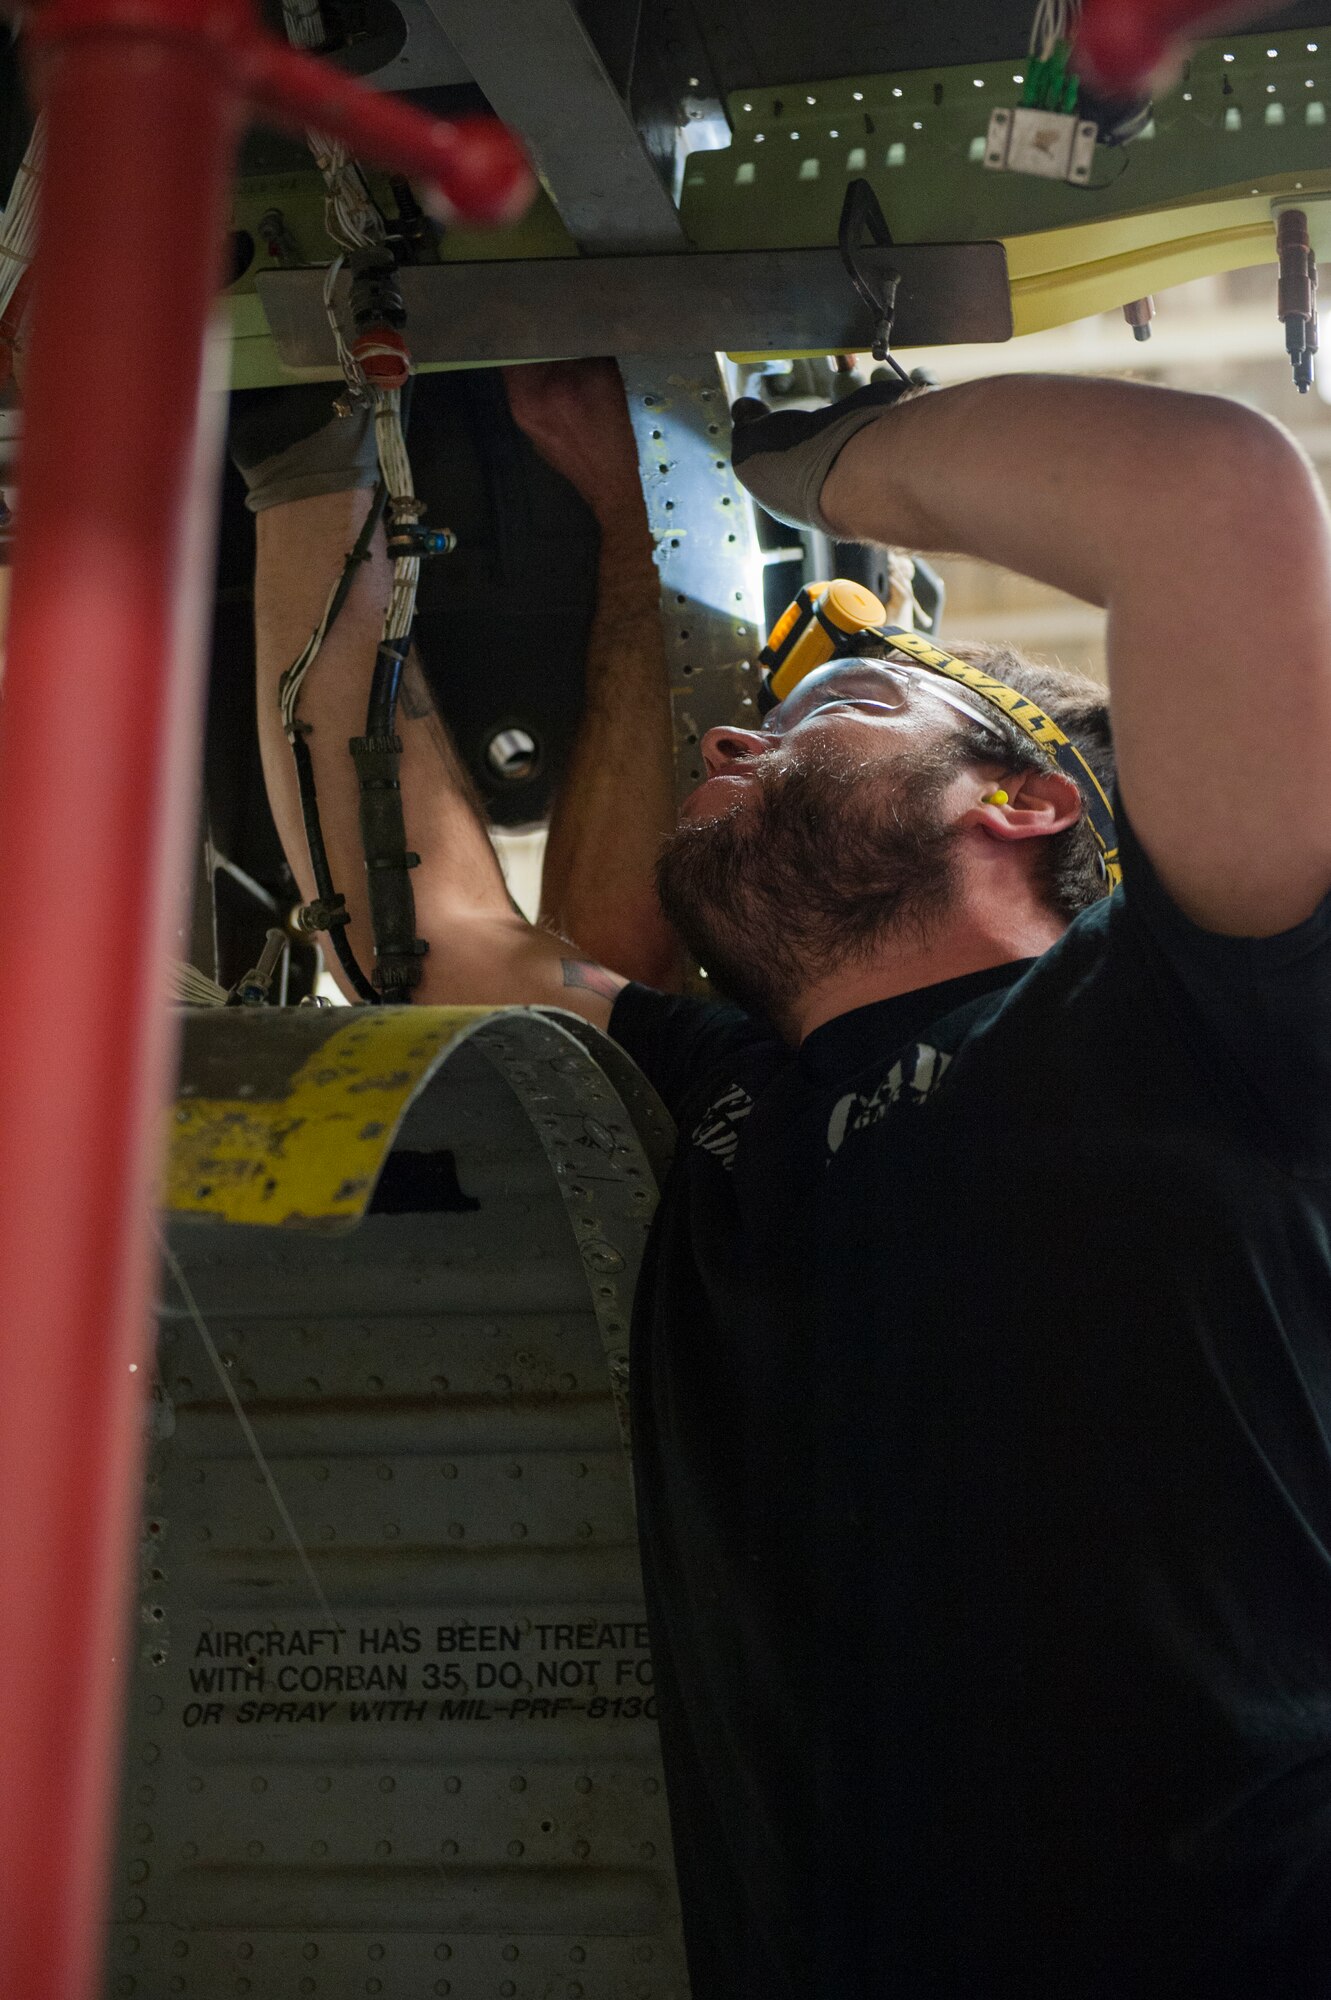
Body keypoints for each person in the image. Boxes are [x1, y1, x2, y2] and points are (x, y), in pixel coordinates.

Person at [242, 362, 1331, 1999]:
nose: (741, 730)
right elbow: (440, 932)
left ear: (1030, 799)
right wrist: (296, 449)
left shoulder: (1193, 1012)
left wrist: (787, 459)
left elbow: (1210, 496)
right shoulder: (734, 1092)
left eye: (841, 708)